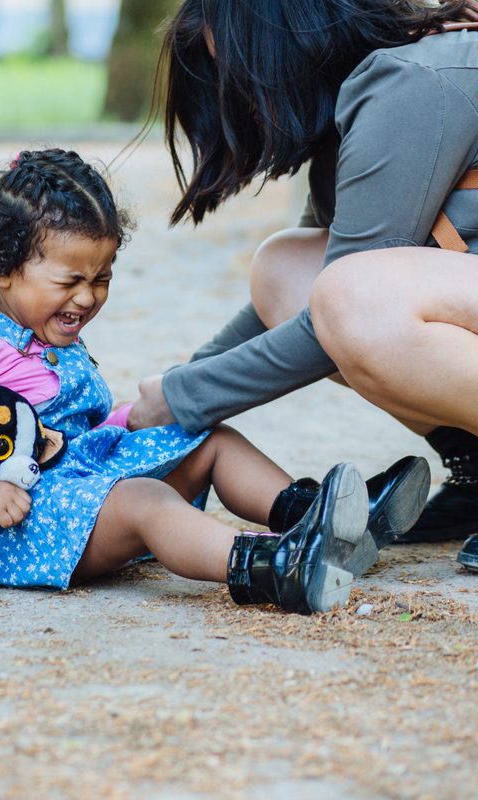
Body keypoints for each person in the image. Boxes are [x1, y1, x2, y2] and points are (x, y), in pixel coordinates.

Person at [0, 148, 431, 613]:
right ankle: (273, 566)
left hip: (83, 486)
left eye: (102, 277)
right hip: (25, 525)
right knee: (146, 498)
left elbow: (70, 430)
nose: (87, 297)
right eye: (71, 280)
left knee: (207, 436)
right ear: (4, 267)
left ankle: (319, 519)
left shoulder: (43, 332)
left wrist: (126, 423)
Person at [125, 0, 478, 573]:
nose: (236, 93)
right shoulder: (359, 103)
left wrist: (183, 398)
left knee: (353, 298)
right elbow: (299, 300)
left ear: (284, 40)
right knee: (286, 267)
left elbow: (343, 315)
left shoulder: (410, 84)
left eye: (239, 69)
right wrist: (169, 397)